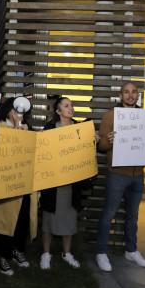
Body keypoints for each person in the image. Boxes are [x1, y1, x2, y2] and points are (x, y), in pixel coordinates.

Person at [95, 82, 145, 271]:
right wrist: (108, 141)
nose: (130, 95)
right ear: (120, 95)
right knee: (108, 214)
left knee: (133, 216)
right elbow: (101, 146)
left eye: (134, 92)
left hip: (138, 175)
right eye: (126, 92)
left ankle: (131, 250)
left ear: (138, 95)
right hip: (117, 174)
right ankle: (101, 253)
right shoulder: (110, 116)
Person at [39, 97, 98, 270]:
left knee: (70, 217)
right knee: (49, 218)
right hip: (53, 184)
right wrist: (41, 140)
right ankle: (46, 254)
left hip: (72, 185)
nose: (71, 108)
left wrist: (91, 140)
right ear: (58, 111)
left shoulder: (80, 129)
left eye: (71, 105)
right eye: (66, 106)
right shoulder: (49, 128)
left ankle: (67, 253)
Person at [0, 97, 38, 276]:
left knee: (22, 220)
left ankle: (18, 250)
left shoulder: (28, 129)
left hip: (24, 185)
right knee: (6, 222)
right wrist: (16, 133)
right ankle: (2, 256)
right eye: (16, 109)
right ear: (9, 111)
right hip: (7, 186)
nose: (19, 113)